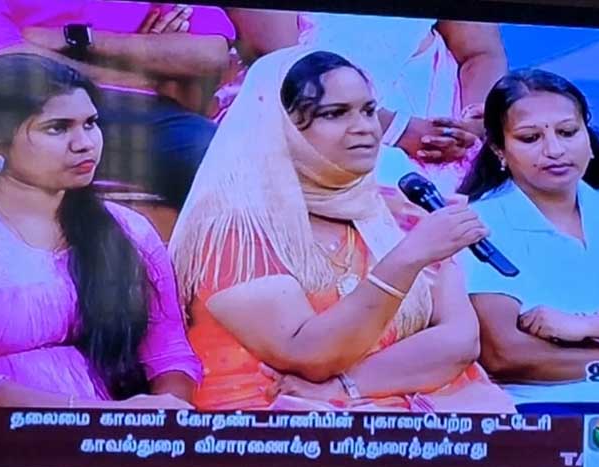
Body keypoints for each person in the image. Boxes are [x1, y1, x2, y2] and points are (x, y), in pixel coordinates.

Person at [168, 47, 515, 413]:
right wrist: (409, 257)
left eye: (368, 110)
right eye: (334, 113)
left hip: (394, 419)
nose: (364, 127)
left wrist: (346, 387)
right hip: (273, 428)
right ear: (278, 126)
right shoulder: (232, 228)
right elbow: (306, 354)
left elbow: (459, 341)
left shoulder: (398, 212)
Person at [0, 54, 202, 408]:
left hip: (113, 432)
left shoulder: (126, 229)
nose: (84, 143)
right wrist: (95, 414)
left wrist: (166, 415)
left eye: (90, 123)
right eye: (58, 128)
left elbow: (168, 351)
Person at [458, 69, 599, 409]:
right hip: (544, 409)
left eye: (568, 132)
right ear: (499, 150)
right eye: (530, 138)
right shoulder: (479, 222)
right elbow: (504, 354)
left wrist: (584, 326)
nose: (555, 150)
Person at [0, 0, 236, 209]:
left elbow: (211, 53)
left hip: (139, 112)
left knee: (213, 154)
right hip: (33, 105)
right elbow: (2, 59)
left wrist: (77, 38)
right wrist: (144, 71)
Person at [299, 13, 507, 193]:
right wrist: (397, 128)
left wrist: (476, 121)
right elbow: (285, 74)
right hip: (328, 144)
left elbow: (481, 53)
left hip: (452, 149)